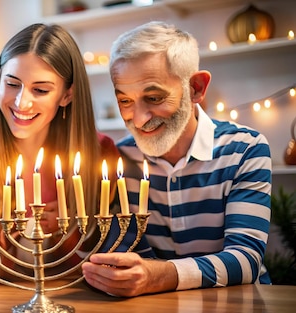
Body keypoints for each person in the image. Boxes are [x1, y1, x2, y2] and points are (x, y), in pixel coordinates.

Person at [82, 21, 272, 296]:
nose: (138, 118)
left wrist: (158, 275)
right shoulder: (120, 160)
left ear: (196, 87)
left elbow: (245, 261)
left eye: (155, 97)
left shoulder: (245, 149)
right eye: (125, 101)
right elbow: (126, 256)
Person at [0, 23, 120, 276]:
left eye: (40, 90)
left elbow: (106, 256)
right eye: (12, 84)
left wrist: (67, 231)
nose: (21, 102)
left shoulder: (101, 154)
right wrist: (5, 232)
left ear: (67, 95)